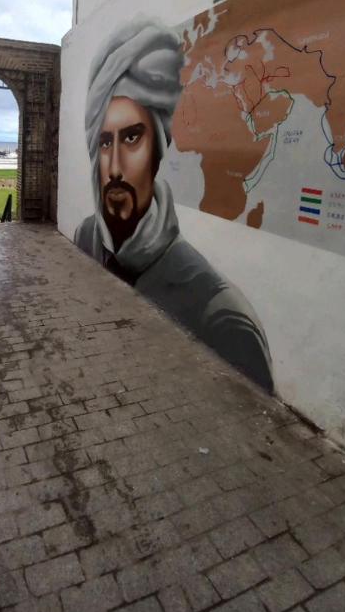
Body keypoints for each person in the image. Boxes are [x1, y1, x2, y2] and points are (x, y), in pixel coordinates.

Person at [74, 20, 274, 392]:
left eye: (132, 138)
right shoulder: (87, 236)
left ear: (159, 147)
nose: (114, 167)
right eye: (104, 143)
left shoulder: (224, 320)